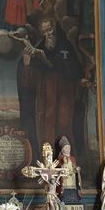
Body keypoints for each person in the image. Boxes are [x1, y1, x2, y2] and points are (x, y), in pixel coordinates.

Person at [17, 17, 83, 156]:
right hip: (45, 97)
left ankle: (67, 163)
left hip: (64, 95)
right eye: (45, 31)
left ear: (55, 28)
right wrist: (27, 64)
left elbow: (76, 71)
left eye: (50, 30)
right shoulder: (40, 48)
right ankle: (47, 163)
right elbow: (29, 82)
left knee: (64, 125)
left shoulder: (66, 47)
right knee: (46, 129)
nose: (48, 34)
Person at [56, 137, 82, 204]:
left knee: (72, 189)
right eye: (66, 148)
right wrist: (63, 166)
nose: (68, 149)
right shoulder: (59, 158)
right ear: (62, 149)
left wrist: (76, 169)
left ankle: (73, 199)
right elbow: (58, 168)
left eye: (69, 148)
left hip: (72, 178)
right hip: (65, 179)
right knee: (65, 191)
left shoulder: (72, 158)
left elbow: (74, 167)